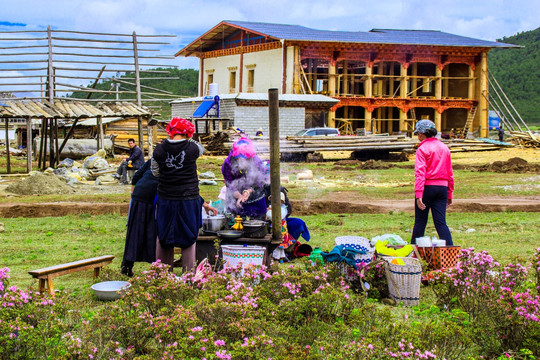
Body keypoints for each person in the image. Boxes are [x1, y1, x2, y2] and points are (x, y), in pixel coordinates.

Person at [151, 118, 215, 272]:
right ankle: (189, 276)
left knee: (164, 236)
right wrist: (188, 135)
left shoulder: (158, 150)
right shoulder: (193, 148)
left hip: (166, 198)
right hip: (188, 199)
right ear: (188, 133)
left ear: (170, 132)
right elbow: (201, 147)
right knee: (189, 237)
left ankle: (164, 276)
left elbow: (155, 172)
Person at [411, 120, 454, 245]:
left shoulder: (422, 149)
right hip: (442, 189)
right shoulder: (444, 148)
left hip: (427, 188)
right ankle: (450, 253)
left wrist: (419, 195)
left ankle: (413, 253)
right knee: (441, 223)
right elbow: (450, 172)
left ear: (420, 134)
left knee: (420, 222)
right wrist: (449, 193)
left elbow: (420, 173)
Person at [120, 159, 158, 277]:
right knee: (152, 233)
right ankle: (157, 269)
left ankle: (126, 265)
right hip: (150, 198)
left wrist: (133, 193)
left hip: (139, 196)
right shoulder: (173, 160)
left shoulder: (154, 158)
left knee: (135, 233)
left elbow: (136, 176)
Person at [221, 137, 268, 220]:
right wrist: (239, 196)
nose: (241, 162)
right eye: (238, 159)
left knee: (258, 223)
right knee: (235, 223)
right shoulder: (227, 164)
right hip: (235, 197)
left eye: (245, 159)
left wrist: (248, 192)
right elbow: (229, 183)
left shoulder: (257, 162)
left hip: (255, 195)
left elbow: (260, 182)